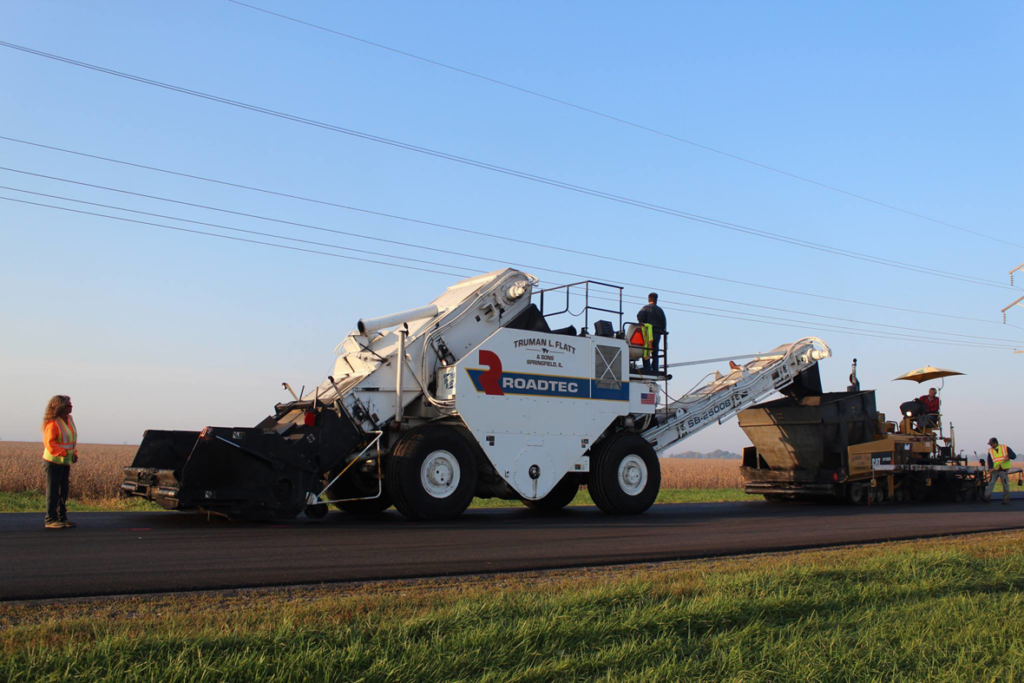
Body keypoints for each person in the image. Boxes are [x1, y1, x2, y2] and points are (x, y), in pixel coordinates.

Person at [41, 395, 78, 529]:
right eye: (69, 404)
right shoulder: (53, 423)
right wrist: (63, 453)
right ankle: (50, 519)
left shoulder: (70, 419)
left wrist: (74, 453)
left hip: (65, 461)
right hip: (53, 462)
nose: (71, 406)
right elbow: (50, 443)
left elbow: (71, 440)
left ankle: (62, 518)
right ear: (60, 407)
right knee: (53, 491)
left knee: (64, 491)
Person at [636, 293, 667, 374]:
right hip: (658, 334)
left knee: (646, 350)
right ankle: (655, 368)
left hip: (648, 334)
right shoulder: (660, 310)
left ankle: (647, 368)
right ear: (656, 300)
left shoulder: (645, 308)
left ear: (648, 299)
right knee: (655, 352)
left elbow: (640, 317)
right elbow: (664, 323)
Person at [985, 437, 1016, 505]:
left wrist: (1008, 457)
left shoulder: (1005, 447)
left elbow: (1013, 456)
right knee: (991, 483)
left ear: (996, 443)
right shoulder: (990, 450)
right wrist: (990, 468)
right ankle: (986, 498)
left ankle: (1006, 500)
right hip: (995, 470)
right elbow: (989, 460)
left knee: (1005, 485)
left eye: (991, 444)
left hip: (1003, 470)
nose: (991, 446)